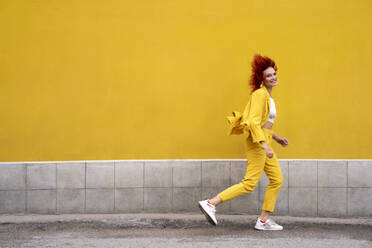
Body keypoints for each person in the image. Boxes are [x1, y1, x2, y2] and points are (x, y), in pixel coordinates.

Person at [198, 54, 289, 231]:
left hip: (265, 138)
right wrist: (264, 145)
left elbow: (264, 123)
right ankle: (211, 203)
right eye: (268, 75)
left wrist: (276, 138)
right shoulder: (260, 94)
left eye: (274, 74)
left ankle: (263, 220)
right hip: (258, 143)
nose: (273, 77)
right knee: (249, 183)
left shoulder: (269, 98)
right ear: (261, 79)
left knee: (277, 179)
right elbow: (253, 122)